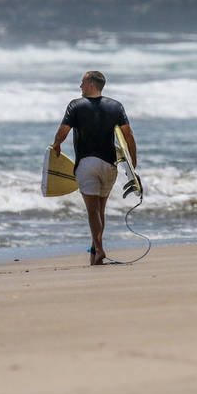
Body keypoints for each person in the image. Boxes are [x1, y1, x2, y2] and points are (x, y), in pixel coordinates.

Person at [51, 70, 137, 265]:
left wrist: (56, 146)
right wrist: (133, 161)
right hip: (109, 164)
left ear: (91, 83)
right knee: (100, 210)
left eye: (82, 82)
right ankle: (94, 252)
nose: (80, 86)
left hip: (86, 164)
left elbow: (62, 132)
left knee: (92, 212)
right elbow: (128, 135)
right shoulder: (116, 106)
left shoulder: (75, 105)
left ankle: (99, 248)